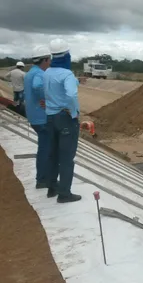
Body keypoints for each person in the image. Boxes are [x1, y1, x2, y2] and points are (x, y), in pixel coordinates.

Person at [43, 38, 82, 203]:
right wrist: (74, 112)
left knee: (53, 153)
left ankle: (52, 187)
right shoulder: (67, 74)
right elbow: (71, 95)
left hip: (50, 117)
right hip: (64, 118)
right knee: (66, 157)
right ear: (67, 55)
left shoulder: (46, 73)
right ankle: (64, 193)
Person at [24, 46, 52, 189]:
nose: (50, 63)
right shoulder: (40, 74)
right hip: (41, 117)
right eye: (49, 60)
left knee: (44, 147)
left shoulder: (30, 73)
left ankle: (43, 177)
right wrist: (47, 98)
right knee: (45, 148)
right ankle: (42, 179)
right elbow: (38, 87)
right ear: (45, 60)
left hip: (33, 115)